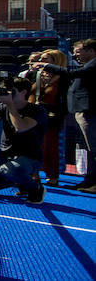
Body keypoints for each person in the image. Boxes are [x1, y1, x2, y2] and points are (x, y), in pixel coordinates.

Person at [0, 77, 48, 203]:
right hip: (5, 155)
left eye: (12, 91)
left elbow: (21, 127)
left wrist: (10, 105)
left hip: (30, 157)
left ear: (24, 92)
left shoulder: (37, 110)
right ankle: (19, 182)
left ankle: (35, 189)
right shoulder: (3, 107)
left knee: (8, 170)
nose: (8, 94)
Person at [37, 39, 96, 193]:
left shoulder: (93, 64)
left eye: (79, 51)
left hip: (88, 110)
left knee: (93, 148)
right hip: (81, 110)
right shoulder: (88, 64)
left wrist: (47, 66)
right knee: (90, 148)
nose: (76, 55)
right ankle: (89, 181)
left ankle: (93, 182)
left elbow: (73, 73)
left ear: (91, 51)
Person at [33, 49, 69, 187]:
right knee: (34, 146)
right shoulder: (37, 75)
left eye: (45, 59)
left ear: (55, 62)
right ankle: (34, 174)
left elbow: (63, 99)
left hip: (52, 118)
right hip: (35, 116)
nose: (41, 62)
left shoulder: (63, 78)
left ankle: (52, 175)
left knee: (50, 147)